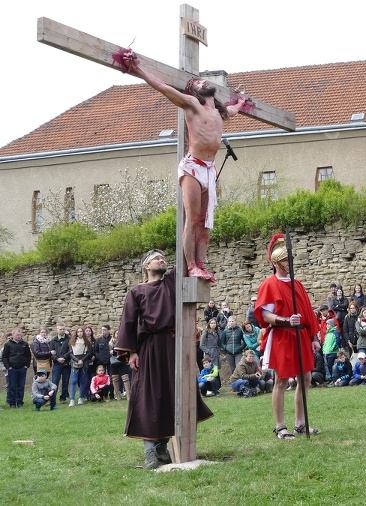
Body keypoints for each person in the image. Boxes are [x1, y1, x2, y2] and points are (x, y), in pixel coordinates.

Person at [121, 51, 248, 282]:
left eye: (203, 80)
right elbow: (163, 87)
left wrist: (240, 101)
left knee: (206, 222)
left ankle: (201, 263)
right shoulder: (191, 104)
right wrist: (137, 69)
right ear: (195, 92)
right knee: (193, 217)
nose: (203, 81)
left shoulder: (219, 112)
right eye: (198, 82)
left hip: (209, 169)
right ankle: (191, 265)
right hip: (193, 166)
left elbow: (234, 109)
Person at [114, 249, 213, 469]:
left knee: (174, 395)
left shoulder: (171, 283)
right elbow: (128, 322)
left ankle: (162, 446)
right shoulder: (137, 291)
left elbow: (186, 255)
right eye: (156, 259)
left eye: (163, 258)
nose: (162, 260)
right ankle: (150, 450)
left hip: (173, 346)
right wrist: (131, 352)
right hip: (148, 349)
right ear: (146, 267)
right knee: (149, 397)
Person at [254, 234, 321, 439]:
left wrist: (314, 337)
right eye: (285, 260)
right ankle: (280, 426)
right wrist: (284, 320)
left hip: (301, 335)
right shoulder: (269, 285)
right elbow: (265, 314)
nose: (289, 263)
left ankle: (300, 423)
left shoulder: (297, 284)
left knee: (306, 377)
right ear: (276, 263)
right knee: (281, 380)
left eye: (290, 259)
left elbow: (307, 312)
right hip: (283, 335)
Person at [2, 328, 32, 408]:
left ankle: (20, 403)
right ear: (13, 335)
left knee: (21, 386)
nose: (19, 336)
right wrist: (8, 366)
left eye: (20, 334)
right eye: (17, 335)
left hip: (22, 368)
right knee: (12, 386)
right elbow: (4, 356)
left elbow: (28, 355)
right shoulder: (8, 344)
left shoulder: (24, 344)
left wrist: (27, 365)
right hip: (12, 368)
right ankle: (12, 403)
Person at [67, 327, 93, 407]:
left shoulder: (87, 342)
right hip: (75, 362)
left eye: (81, 331)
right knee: (74, 381)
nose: (80, 333)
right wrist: (77, 360)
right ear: (76, 333)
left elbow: (89, 353)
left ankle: (80, 397)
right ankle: (72, 399)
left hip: (84, 362)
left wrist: (82, 360)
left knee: (83, 381)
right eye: (78, 332)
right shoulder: (72, 342)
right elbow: (70, 353)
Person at [50, 325, 71, 403]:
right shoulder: (53, 341)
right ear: (57, 330)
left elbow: (70, 351)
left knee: (65, 381)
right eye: (60, 329)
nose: (62, 330)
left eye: (63, 329)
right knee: (55, 382)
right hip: (57, 364)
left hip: (66, 363)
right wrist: (57, 359)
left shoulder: (69, 339)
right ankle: (52, 398)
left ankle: (63, 398)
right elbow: (51, 353)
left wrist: (64, 358)